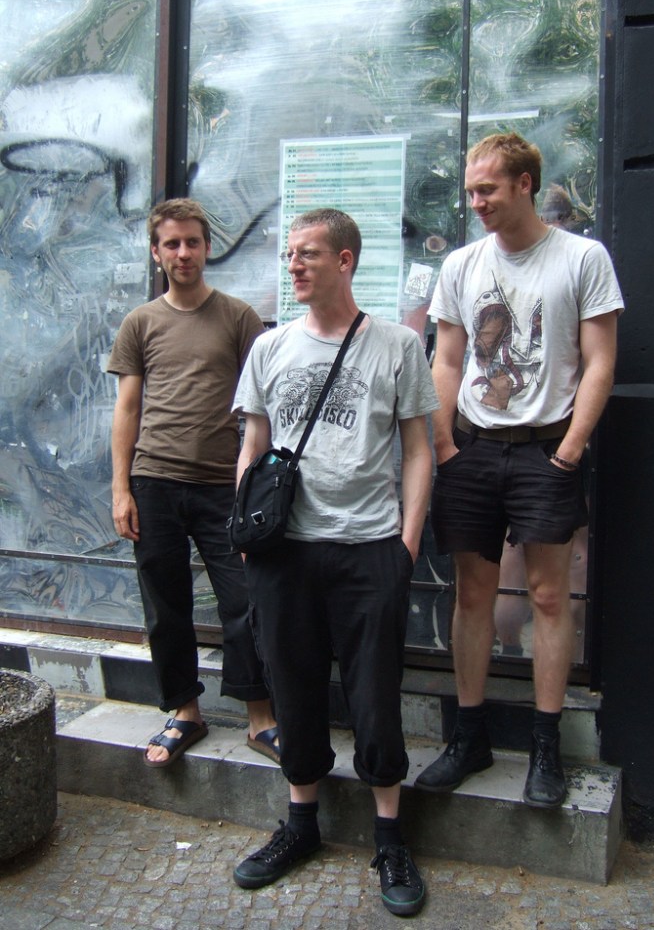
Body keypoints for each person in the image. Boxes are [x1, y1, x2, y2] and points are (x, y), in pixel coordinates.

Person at [231, 208, 438, 917]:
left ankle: (390, 837)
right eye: (290, 254)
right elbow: (253, 444)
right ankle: (301, 824)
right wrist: (245, 528)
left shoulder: (397, 345)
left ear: (345, 260)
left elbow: (418, 449)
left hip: (369, 549)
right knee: (292, 689)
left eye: (308, 253)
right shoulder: (270, 347)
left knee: (375, 695)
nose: (293, 264)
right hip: (284, 552)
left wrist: (406, 543)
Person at [416, 133, 623, 808]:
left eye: (488, 190)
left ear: (525, 184)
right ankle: (469, 736)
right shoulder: (461, 265)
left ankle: (545, 746)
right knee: (473, 595)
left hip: (546, 448)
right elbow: (447, 361)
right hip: (472, 449)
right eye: (470, 192)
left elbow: (600, 361)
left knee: (549, 597)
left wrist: (570, 450)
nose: (476, 203)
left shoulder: (582, 257)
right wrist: (445, 444)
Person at [108, 197, 277, 768]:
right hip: (153, 482)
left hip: (223, 487)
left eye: (192, 242)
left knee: (245, 599)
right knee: (166, 605)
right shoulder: (140, 322)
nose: (183, 253)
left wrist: (258, 483)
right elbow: (127, 409)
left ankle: (260, 718)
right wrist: (121, 489)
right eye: (172, 244)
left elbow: (262, 406)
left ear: (207, 248)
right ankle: (185, 712)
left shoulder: (238, 318)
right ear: (157, 253)